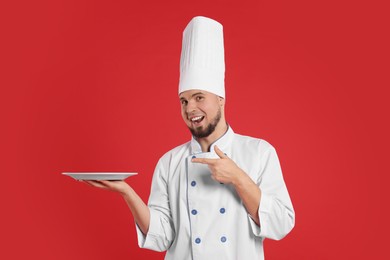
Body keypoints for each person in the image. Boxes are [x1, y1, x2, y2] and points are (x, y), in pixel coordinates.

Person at [85, 16, 295, 260]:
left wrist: (238, 178)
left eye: (198, 97)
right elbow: (161, 236)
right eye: (183, 101)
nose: (190, 109)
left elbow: (281, 223)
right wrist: (126, 192)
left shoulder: (259, 152)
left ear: (220, 99)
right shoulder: (169, 162)